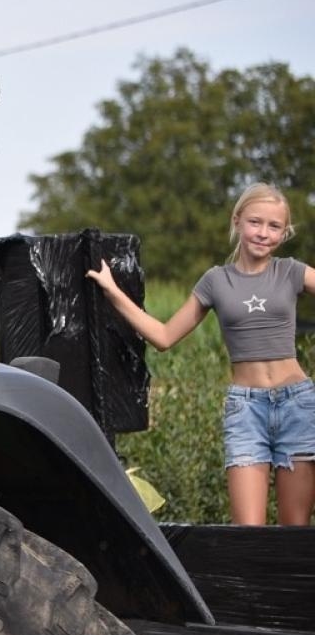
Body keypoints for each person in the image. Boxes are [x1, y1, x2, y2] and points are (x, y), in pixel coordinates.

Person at [87, 182, 315, 526]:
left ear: (284, 233)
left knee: (295, 532)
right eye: (255, 222)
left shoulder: (291, 271)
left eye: (274, 226)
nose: (263, 233)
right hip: (246, 411)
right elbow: (164, 337)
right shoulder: (216, 281)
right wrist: (112, 291)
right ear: (237, 221)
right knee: (248, 534)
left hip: (297, 405)